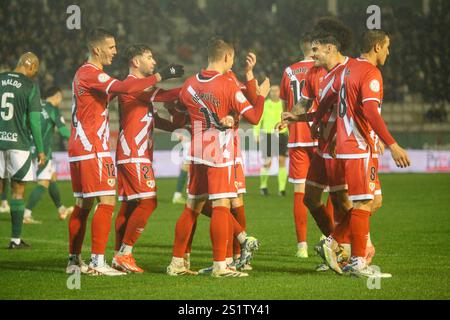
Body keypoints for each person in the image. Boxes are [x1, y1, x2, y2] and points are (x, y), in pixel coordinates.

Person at [66, 28, 184, 276]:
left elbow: (154, 112)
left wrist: (179, 116)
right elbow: (128, 89)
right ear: (97, 49)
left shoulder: (95, 77)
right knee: (118, 202)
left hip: (88, 147)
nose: (115, 51)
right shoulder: (93, 74)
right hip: (101, 149)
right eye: (111, 47)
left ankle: (77, 259)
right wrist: (190, 87)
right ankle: (107, 259)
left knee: (88, 205)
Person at [166, 38, 270, 277]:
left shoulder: (190, 84)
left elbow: (178, 108)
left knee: (192, 206)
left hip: (196, 150)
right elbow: (254, 117)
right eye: (232, 58)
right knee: (222, 206)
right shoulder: (227, 84)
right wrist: (262, 95)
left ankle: (176, 263)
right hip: (219, 151)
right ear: (226, 57)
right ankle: (220, 266)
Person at [112, 44, 184, 273]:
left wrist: (180, 119)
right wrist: (193, 88)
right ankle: (125, 253)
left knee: (129, 206)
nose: (153, 61)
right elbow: (166, 94)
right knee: (149, 202)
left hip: (132, 155)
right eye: (149, 57)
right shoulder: (131, 85)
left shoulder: (140, 91)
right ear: (135, 61)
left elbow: (163, 122)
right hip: (134, 154)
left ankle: (118, 256)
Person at [278, 33, 319, 258]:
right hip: (320, 134)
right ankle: (327, 239)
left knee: (299, 191)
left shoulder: (289, 71)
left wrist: (286, 121)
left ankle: (301, 246)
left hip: (297, 136)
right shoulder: (323, 69)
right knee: (331, 189)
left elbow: (287, 104)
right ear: (316, 47)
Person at [0, 52, 46, 249]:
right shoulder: (30, 86)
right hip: (18, 144)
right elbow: (35, 122)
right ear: (32, 66)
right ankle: (15, 240)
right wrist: (41, 150)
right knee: (17, 192)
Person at [23, 86, 73, 224]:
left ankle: (61, 209)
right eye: (61, 98)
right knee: (43, 182)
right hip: (42, 151)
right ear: (56, 95)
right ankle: (26, 215)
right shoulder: (52, 109)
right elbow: (63, 131)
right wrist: (77, 142)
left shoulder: (36, 105)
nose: (61, 101)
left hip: (29, 147)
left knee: (51, 178)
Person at [254, 85, 288, 197]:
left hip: (282, 134)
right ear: (269, 93)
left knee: (282, 161)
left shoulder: (284, 104)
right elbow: (258, 119)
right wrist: (256, 134)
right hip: (268, 135)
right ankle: (263, 186)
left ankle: (282, 189)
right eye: (272, 91)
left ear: (279, 92)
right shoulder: (265, 104)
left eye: (276, 90)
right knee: (268, 162)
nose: (274, 93)